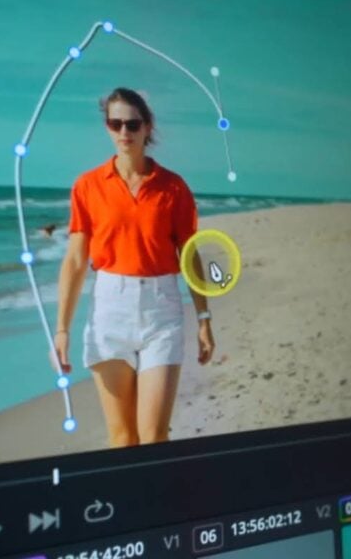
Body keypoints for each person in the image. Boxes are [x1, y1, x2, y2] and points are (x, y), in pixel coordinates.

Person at [54, 87, 215, 447]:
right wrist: (61, 330)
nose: (123, 132)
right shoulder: (87, 186)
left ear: (147, 127)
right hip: (110, 310)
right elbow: (77, 260)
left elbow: (190, 255)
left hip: (162, 311)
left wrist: (204, 319)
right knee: (123, 439)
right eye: (115, 123)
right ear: (107, 127)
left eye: (132, 123)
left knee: (154, 436)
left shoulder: (173, 188)